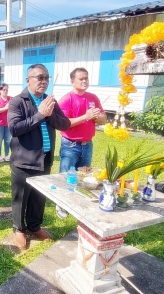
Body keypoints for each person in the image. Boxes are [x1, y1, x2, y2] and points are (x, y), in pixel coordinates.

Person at [8, 63, 70, 250]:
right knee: (21, 197)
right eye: (39, 77)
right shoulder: (18, 101)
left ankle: (34, 226)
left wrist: (49, 114)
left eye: (46, 78)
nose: (43, 81)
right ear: (28, 80)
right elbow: (14, 128)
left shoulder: (50, 101)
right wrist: (40, 114)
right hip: (23, 160)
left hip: (45, 159)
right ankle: (19, 229)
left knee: (39, 196)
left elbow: (65, 124)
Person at [56, 67, 107, 218]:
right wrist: (86, 116)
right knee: (66, 176)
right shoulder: (67, 99)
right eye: (81, 78)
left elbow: (103, 118)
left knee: (84, 176)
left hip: (87, 144)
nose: (84, 81)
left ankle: (77, 203)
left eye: (86, 78)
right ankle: (61, 204)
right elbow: (64, 123)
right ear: (72, 81)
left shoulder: (93, 98)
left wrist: (95, 117)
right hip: (70, 145)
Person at [0, 83, 12, 162]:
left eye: (7, 90)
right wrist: (5, 108)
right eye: (3, 90)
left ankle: (7, 155)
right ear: (0, 90)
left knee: (8, 140)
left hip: (8, 123)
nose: (5, 91)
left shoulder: (11, 99)